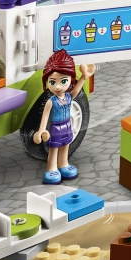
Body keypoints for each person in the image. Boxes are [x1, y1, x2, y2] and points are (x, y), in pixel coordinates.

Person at [33, 50, 95, 185]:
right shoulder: (51, 101)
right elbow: (45, 116)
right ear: (46, 82)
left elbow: (76, 90)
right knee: (54, 148)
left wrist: (84, 77)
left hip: (67, 125)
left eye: (63, 81)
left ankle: (63, 164)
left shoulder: (68, 97)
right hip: (55, 128)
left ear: (70, 80)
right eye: (52, 82)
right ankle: (51, 168)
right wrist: (41, 130)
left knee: (66, 145)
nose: (58, 86)